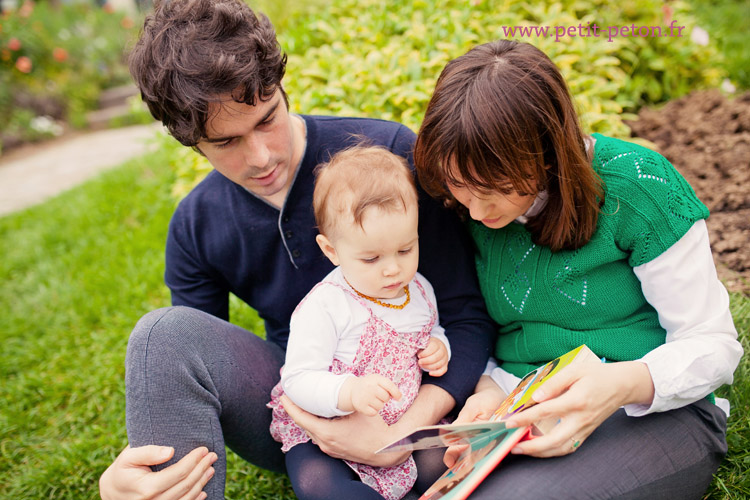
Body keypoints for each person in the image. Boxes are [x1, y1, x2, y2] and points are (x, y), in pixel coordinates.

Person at [98, 1, 494, 499]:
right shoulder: (197, 226)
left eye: (267, 119)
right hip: (303, 407)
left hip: (416, 395)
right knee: (163, 334)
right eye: (227, 142)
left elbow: (466, 314)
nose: (261, 157)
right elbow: (189, 377)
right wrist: (132, 477)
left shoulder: (387, 159)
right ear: (191, 142)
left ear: (282, 89)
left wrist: (406, 428)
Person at [412, 39, 743, 499]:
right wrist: (488, 392)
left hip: (650, 407)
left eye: (492, 188)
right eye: (458, 187)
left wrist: (619, 385)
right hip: (523, 400)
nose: (471, 209)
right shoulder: (479, 209)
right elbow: (500, 330)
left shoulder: (639, 189)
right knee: (420, 467)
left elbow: (715, 344)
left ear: (547, 154)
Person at [267, 145, 451, 500]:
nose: (392, 269)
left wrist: (439, 347)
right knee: (319, 484)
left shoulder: (420, 289)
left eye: (405, 249)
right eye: (370, 258)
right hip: (331, 430)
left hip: (403, 424)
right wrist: (348, 392)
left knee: (450, 462)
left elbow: (433, 328)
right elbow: (298, 378)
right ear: (331, 250)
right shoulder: (326, 305)